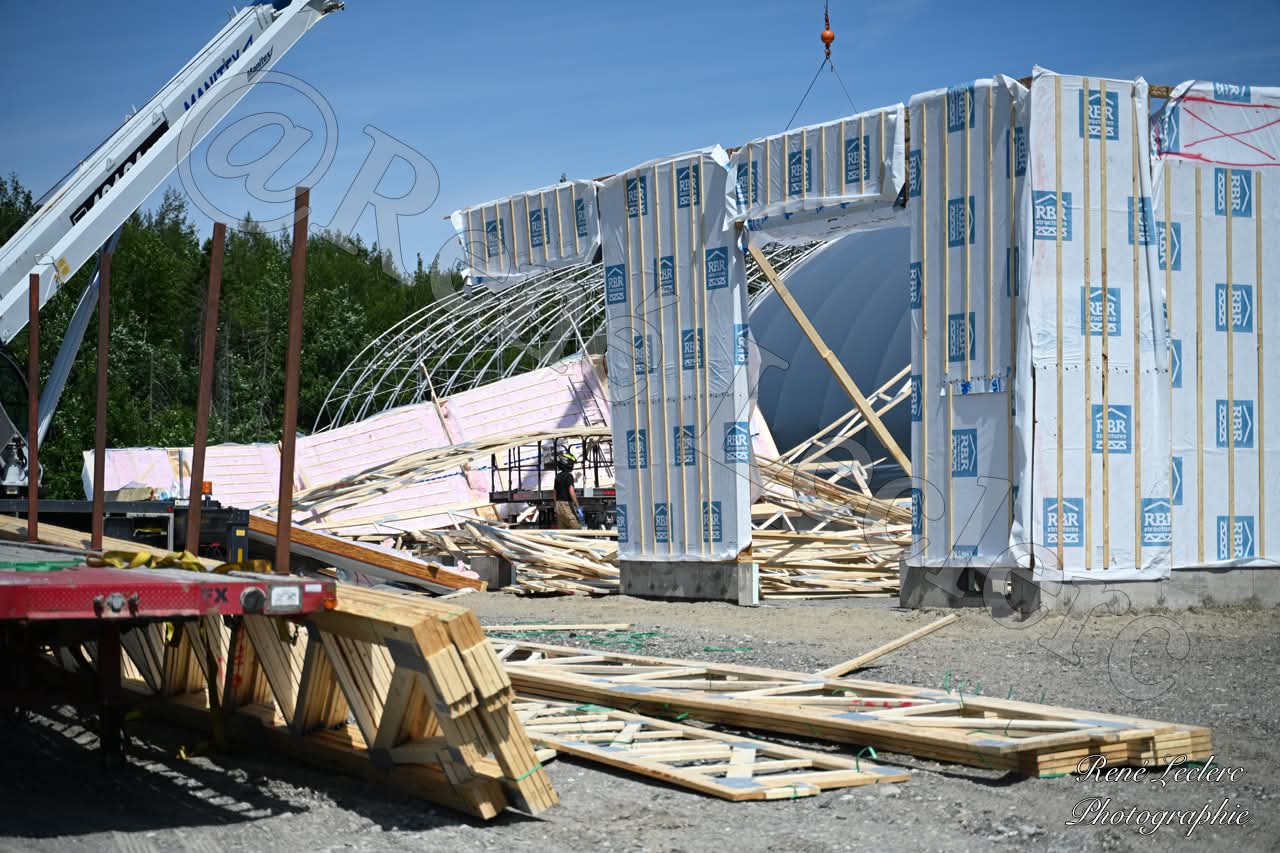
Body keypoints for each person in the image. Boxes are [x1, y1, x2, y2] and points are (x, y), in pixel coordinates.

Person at [553, 452, 582, 529]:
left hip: (558, 506)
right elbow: (571, 492)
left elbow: (554, 492)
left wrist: (556, 506)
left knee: (563, 532)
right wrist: (578, 506)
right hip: (566, 505)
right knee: (577, 529)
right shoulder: (569, 476)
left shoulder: (557, 476)